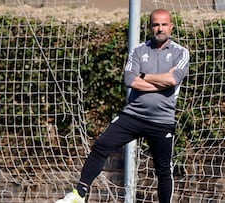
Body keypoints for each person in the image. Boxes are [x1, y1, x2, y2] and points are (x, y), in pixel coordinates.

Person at [56, 8, 189, 203]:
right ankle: (78, 195)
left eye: (164, 24)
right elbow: (129, 80)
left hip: (161, 120)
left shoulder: (181, 52)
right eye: (156, 25)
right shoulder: (138, 50)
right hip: (132, 115)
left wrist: (143, 75)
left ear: (171, 26)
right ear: (149, 27)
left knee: (163, 169)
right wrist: (158, 83)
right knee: (101, 146)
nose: (160, 29)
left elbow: (172, 80)